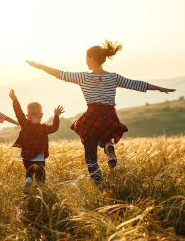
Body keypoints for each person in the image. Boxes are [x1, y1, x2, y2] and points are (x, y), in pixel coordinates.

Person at [25, 40, 175, 186]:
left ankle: (99, 184)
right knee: (103, 135)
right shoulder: (113, 77)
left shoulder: (84, 77)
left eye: (86, 58)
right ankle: (107, 144)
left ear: (92, 58)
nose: (85, 61)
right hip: (109, 115)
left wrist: (39, 66)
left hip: (93, 115)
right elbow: (136, 84)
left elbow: (59, 73)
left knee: (90, 156)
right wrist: (160, 88)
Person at [8, 89, 64, 193]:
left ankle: (28, 179)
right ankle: (39, 190)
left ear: (27, 116)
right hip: (39, 157)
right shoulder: (44, 128)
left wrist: (14, 99)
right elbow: (55, 127)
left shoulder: (24, 123)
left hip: (26, 156)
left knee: (29, 171)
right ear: (41, 115)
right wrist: (56, 115)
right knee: (40, 176)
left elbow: (18, 112)